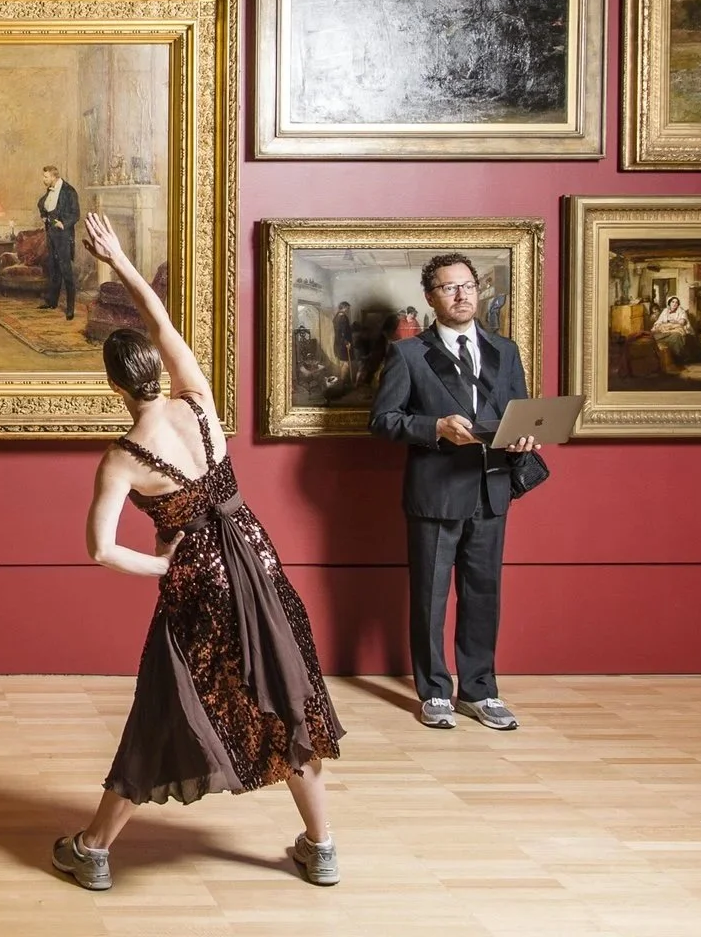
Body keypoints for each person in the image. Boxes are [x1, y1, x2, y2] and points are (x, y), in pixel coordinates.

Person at [55, 213, 344, 893]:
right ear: (158, 370)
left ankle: (93, 848)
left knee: (163, 709)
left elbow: (101, 550)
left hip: (200, 586)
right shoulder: (199, 400)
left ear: (115, 389)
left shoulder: (123, 458)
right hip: (258, 559)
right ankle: (322, 846)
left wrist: (163, 565)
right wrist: (120, 261)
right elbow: (157, 317)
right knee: (284, 695)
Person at [371, 253, 542, 733]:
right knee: (430, 598)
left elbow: (518, 413)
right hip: (436, 493)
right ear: (431, 298)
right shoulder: (408, 354)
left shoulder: (505, 350)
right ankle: (433, 692)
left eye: (468, 285)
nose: (462, 295)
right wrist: (435, 428)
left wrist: (525, 437)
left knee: (483, 595)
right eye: (449, 287)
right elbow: (383, 421)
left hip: (492, 488)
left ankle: (480, 691)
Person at [35, 163, 81, 319]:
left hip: (64, 237)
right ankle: (52, 302)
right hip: (51, 235)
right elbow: (43, 203)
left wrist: (64, 223)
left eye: (46, 177)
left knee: (66, 271)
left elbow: (76, 214)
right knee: (54, 269)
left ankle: (70, 309)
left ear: (54, 177)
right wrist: (44, 215)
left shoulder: (69, 191)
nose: (43, 179)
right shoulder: (50, 189)